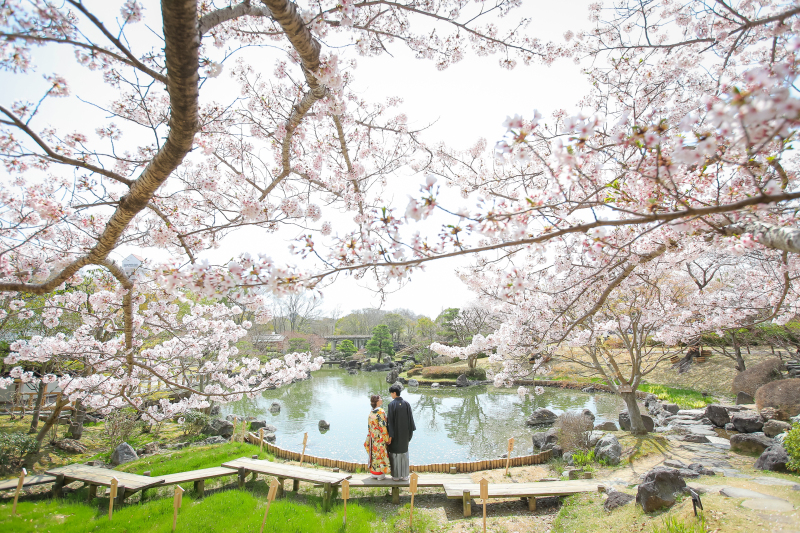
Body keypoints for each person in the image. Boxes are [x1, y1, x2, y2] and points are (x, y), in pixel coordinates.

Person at [386, 383, 416, 481]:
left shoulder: (391, 405)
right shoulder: (406, 404)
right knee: (404, 453)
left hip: (395, 435)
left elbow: (390, 422)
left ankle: (396, 476)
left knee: (395, 454)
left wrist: (390, 436)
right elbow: (411, 420)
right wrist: (409, 435)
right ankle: (405, 475)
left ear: (394, 393)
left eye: (391, 393)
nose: (391, 395)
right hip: (405, 435)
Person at [363, 394, 390, 480]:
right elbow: (383, 427)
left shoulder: (371, 412)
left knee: (374, 454)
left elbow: (369, 427)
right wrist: (387, 438)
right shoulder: (380, 412)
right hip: (379, 437)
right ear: (377, 401)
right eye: (380, 398)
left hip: (372, 437)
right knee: (380, 454)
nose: (381, 399)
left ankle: (374, 472)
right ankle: (379, 472)